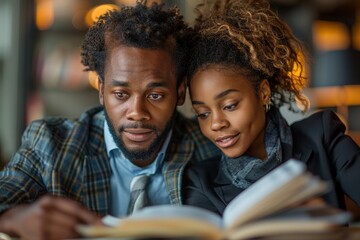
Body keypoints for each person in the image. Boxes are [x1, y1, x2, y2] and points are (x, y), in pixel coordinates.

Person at [0, 1, 220, 239]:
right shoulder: (50, 144)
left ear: (180, 92)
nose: (137, 112)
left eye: (155, 95)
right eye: (120, 95)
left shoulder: (210, 148)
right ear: (101, 91)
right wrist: (13, 218)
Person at [183, 0, 360, 216]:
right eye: (203, 113)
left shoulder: (322, 137)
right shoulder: (201, 182)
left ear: (263, 92)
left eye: (230, 106)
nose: (216, 123)